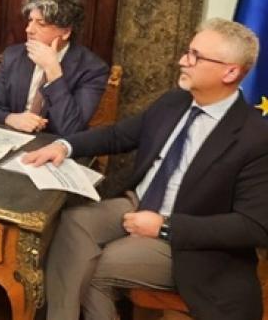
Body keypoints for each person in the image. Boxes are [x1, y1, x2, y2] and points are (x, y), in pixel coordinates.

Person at [23, 18, 268, 320]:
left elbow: (253, 226)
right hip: (138, 203)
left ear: (230, 72)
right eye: (187, 51)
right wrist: (64, 146)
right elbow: (118, 135)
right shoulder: (174, 102)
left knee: (94, 264)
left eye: (196, 56)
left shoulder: (255, 137)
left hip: (188, 242)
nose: (182, 61)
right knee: (73, 223)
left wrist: (165, 226)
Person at [0, 0, 108, 137]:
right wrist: (11, 118)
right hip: (13, 138)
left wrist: (53, 72)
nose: (29, 29)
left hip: (56, 146)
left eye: (41, 24)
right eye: (30, 21)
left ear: (66, 32)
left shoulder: (92, 69)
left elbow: (72, 129)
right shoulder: (13, 56)